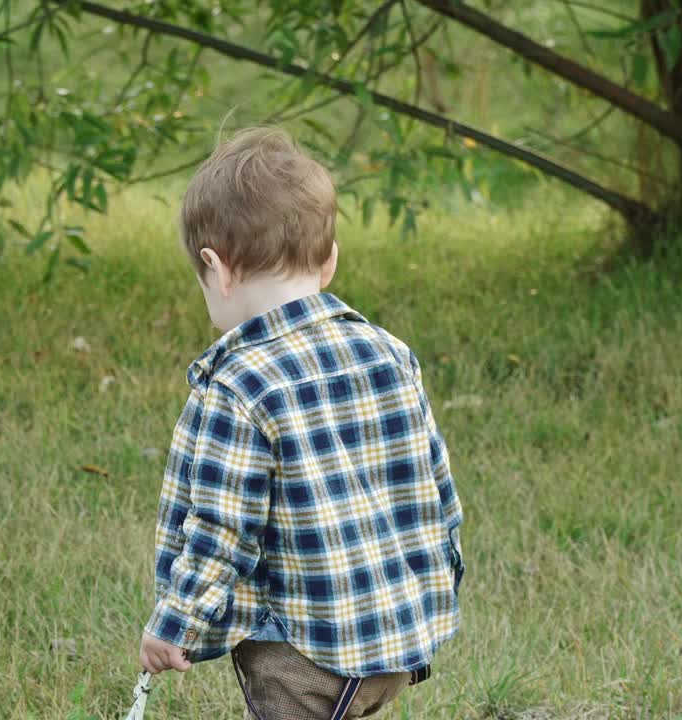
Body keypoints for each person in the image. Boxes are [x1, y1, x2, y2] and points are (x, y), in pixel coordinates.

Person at [138, 127, 464, 720]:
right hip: (392, 643)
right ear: (330, 260)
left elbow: (220, 532)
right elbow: (436, 493)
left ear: (218, 268)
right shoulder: (389, 353)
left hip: (303, 651)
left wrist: (176, 621)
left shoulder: (239, 387)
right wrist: (432, 592)